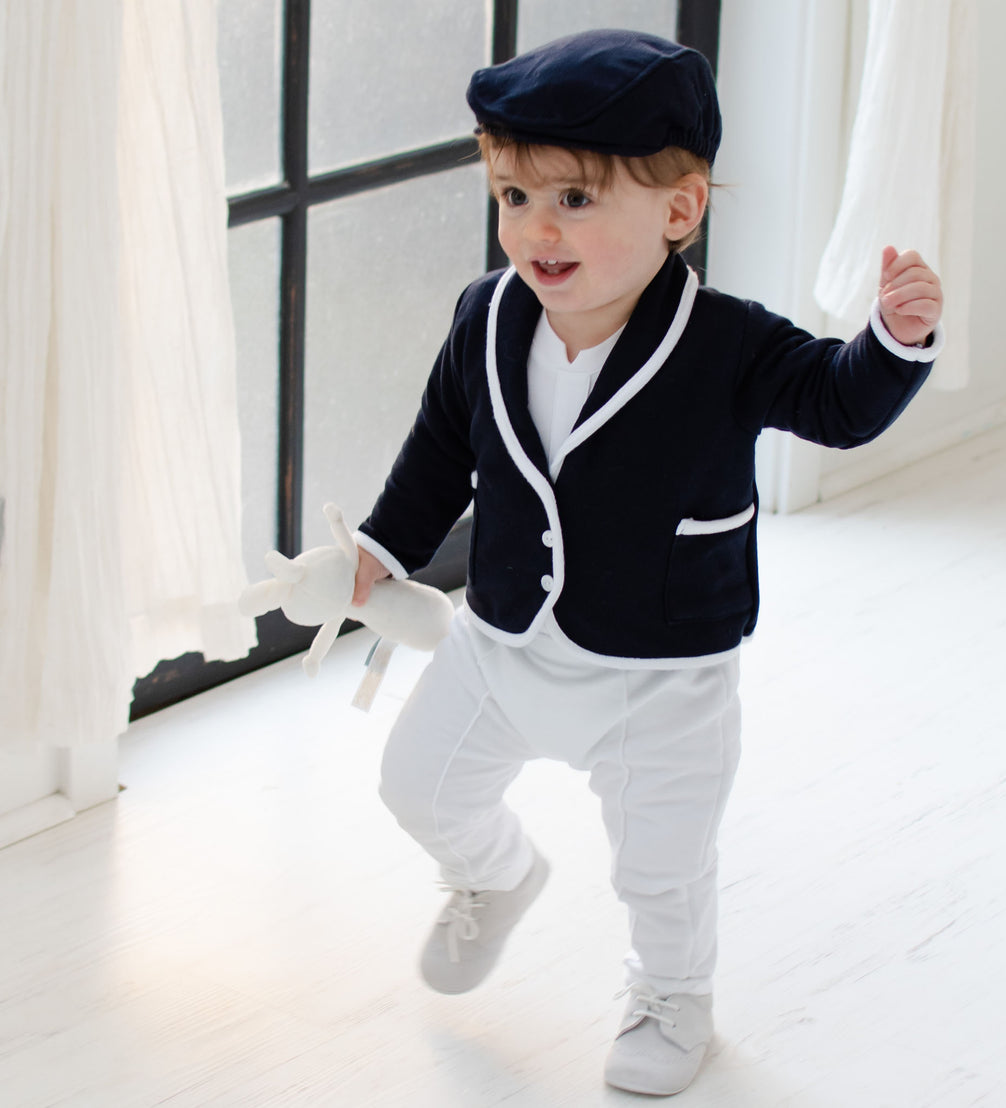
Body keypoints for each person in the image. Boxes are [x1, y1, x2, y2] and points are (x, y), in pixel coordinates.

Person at [350, 28, 943, 1097]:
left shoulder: (729, 343)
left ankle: (673, 999)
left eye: (574, 200)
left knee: (661, 869)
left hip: (661, 670)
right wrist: (380, 548)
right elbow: (444, 445)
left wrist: (891, 344)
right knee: (416, 782)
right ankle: (495, 873)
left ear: (678, 211)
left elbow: (831, 404)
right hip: (502, 638)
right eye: (513, 197)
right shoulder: (485, 316)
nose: (535, 229)